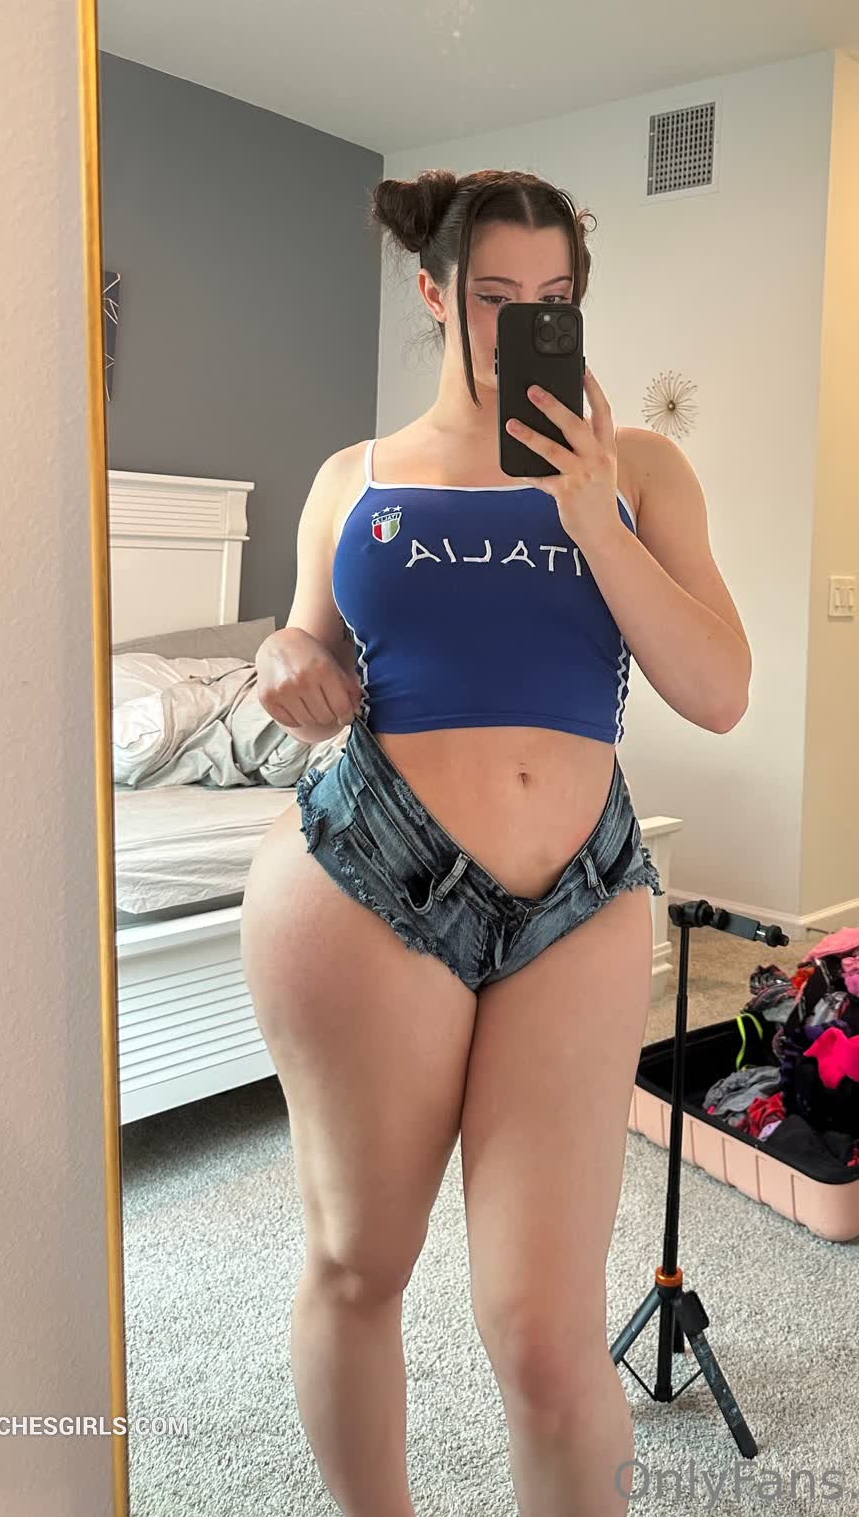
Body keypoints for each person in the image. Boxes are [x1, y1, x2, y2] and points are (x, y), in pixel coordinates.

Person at [241, 167, 751, 1517]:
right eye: (494, 297)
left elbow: (717, 691)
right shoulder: (352, 477)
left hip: (580, 895)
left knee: (542, 1331)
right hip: (369, 875)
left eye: (555, 298)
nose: (526, 322)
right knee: (360, 1264)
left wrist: (591, 513)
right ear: (434, 293)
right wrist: (284, 655)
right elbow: (305, 643)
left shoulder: (642, 471)